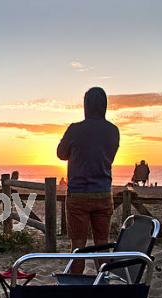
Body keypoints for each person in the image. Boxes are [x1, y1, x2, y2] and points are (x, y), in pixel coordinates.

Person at [57, 87, 119, 274]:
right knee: (102, 242)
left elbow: (61, 154)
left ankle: (76, 285)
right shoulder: (113, 131)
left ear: (85, 105)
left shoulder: (75, 129)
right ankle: (103, 281)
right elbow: (109, 157)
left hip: (78, 194)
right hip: (103, 193)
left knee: (78, 244)